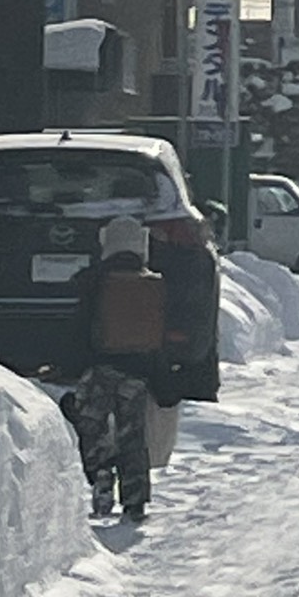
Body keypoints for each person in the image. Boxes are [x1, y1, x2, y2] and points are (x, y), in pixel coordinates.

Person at [60, 214, 176, 520]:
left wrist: (69, 366)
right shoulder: (153, 285)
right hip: (137, 373)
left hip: (99, 369)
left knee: (92, 429)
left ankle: (100, 474)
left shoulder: (92, 280)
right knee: (132, 437)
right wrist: (164, 380)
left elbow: (78, 328)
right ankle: (135, 500)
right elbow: (159, 337)